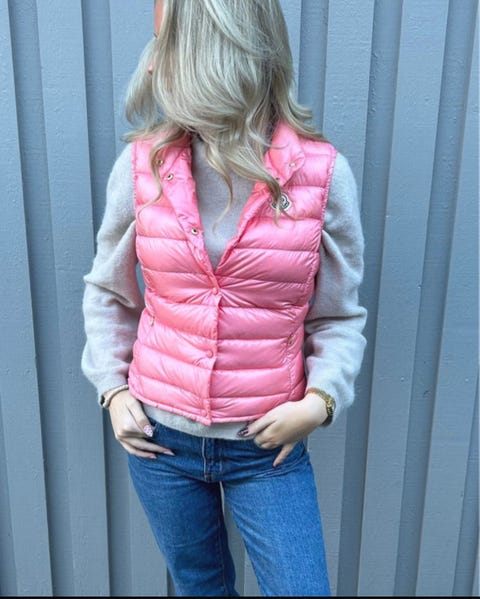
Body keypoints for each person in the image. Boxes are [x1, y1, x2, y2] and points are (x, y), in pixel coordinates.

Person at [81, 0, 367, 596]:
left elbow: (338, 315)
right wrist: (113, 391)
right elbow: (109, 291)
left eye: (168, 46)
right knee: (201, 587)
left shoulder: (320, 175)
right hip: (160, 441)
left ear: (221, 54)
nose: (152, 65)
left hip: (265, 449)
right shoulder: (142, 167)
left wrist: (320, 401)